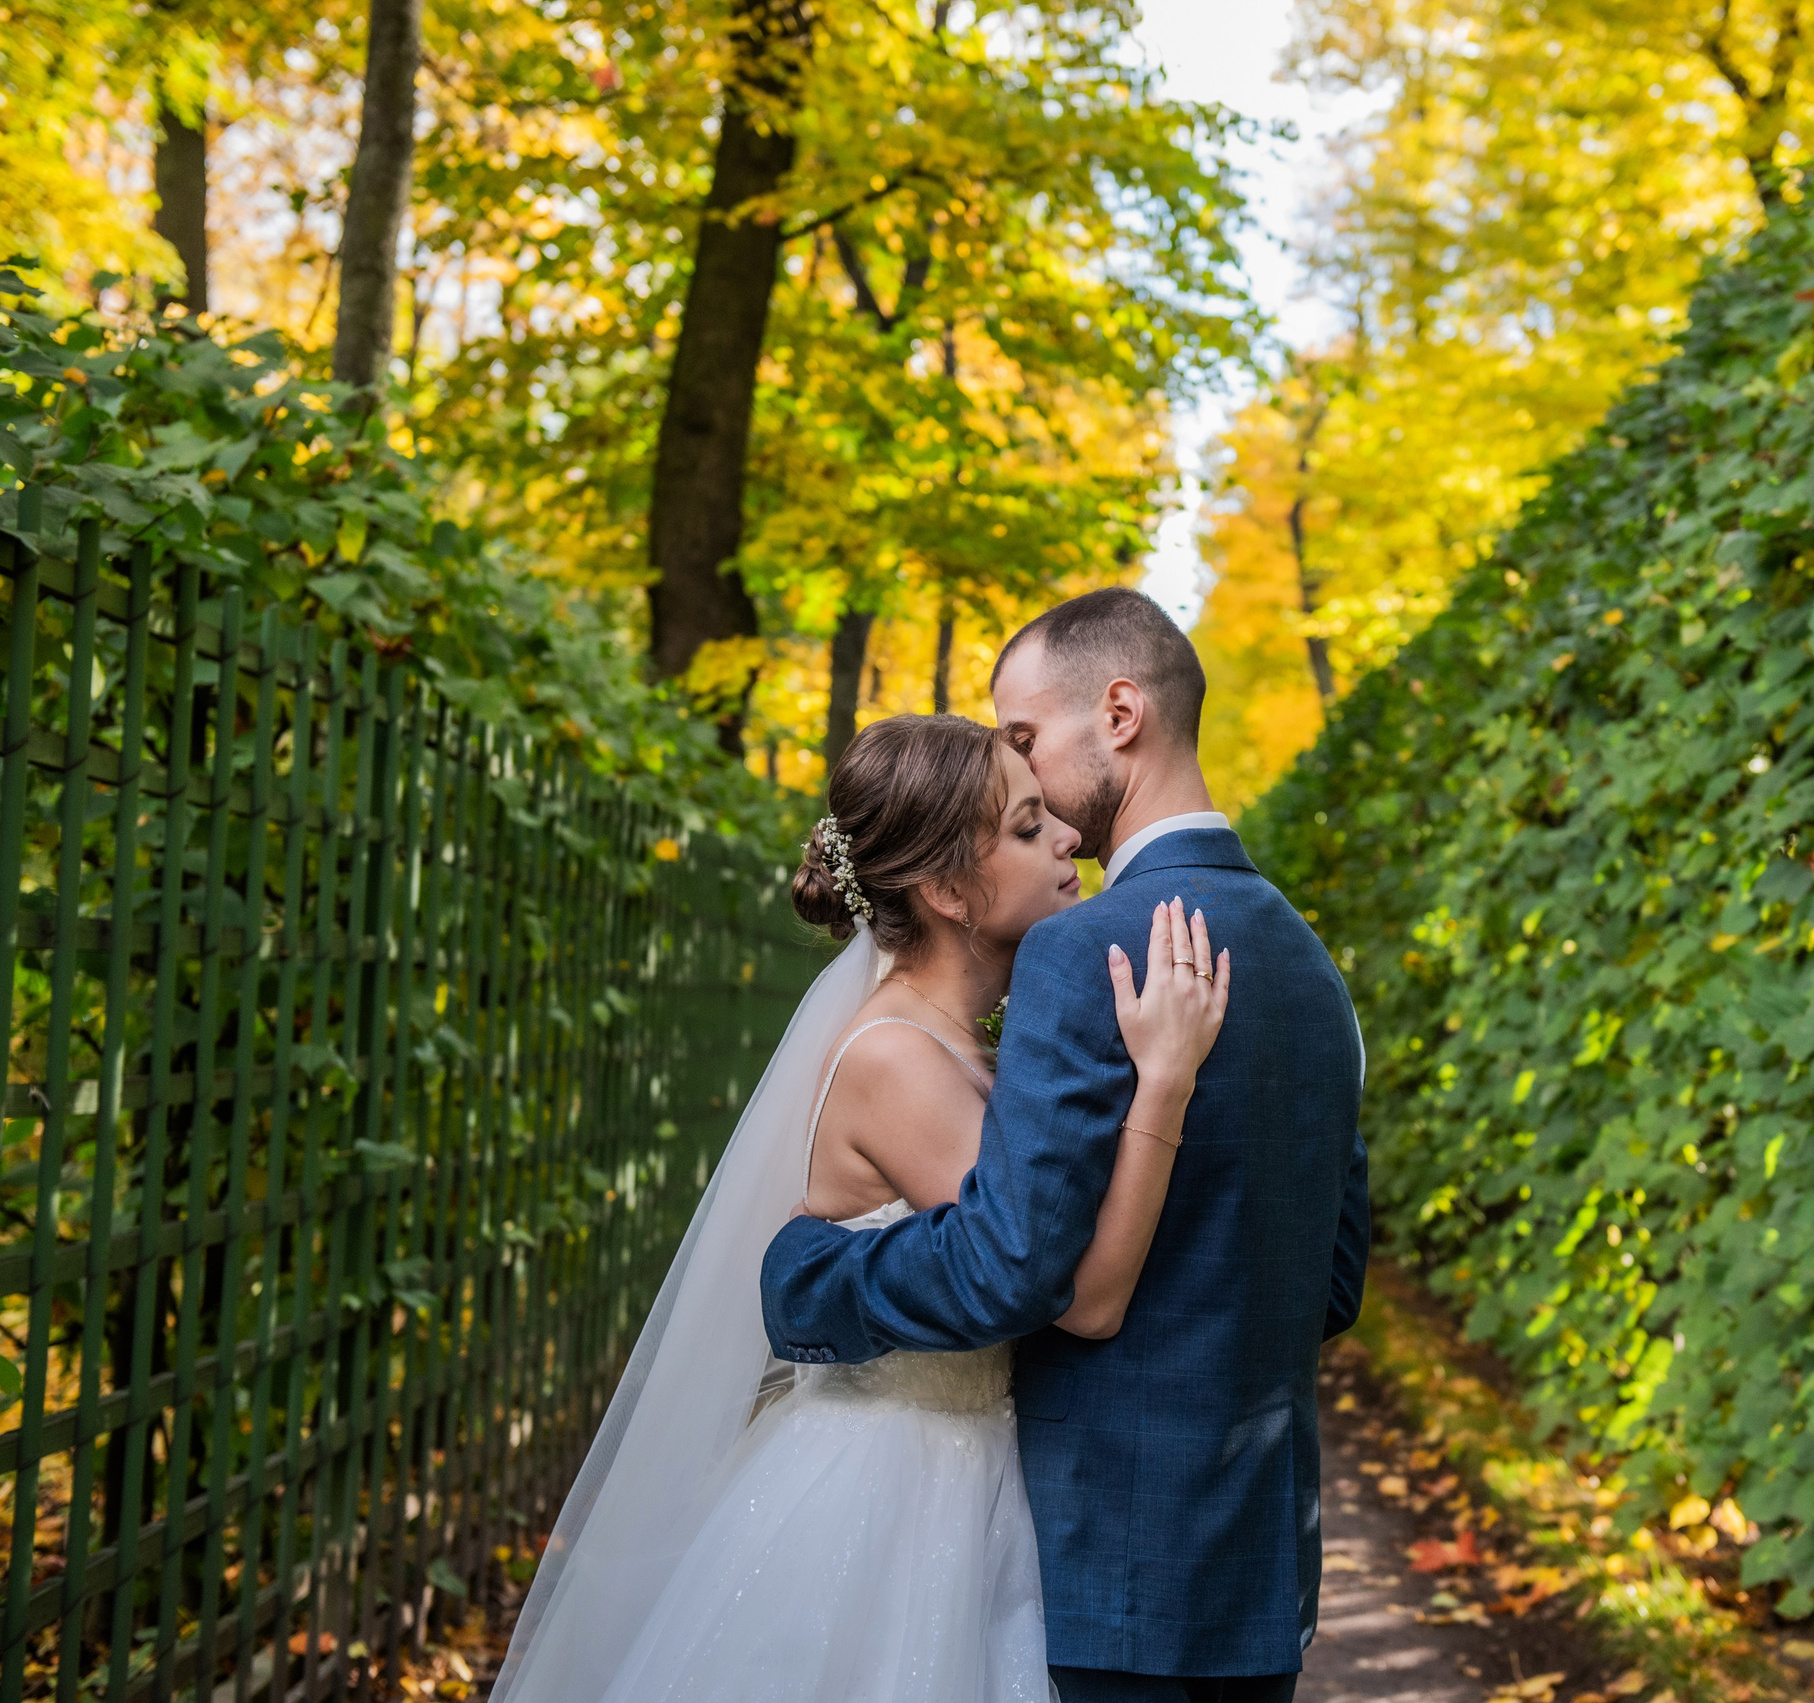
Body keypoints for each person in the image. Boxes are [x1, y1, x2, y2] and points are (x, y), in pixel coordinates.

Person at [490, 711, 1232, 1703]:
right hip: (891, 1495)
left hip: (970, 1469)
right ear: (945, 891)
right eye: (1023, 826)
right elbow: (1086, 1298)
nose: (1067, 838)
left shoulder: (963, 1042)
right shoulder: (897, 1061)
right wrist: (1166, 1082)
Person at [763, 587, 1372, 1703]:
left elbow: (1018, 1263)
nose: (1029, 777)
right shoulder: (1313, 970)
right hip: (1257, 1573)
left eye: (1028, 739)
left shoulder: (1084, 951)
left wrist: (812, 1276)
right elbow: (1329, 1284)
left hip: (1103, 1557)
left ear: (1122, 712)